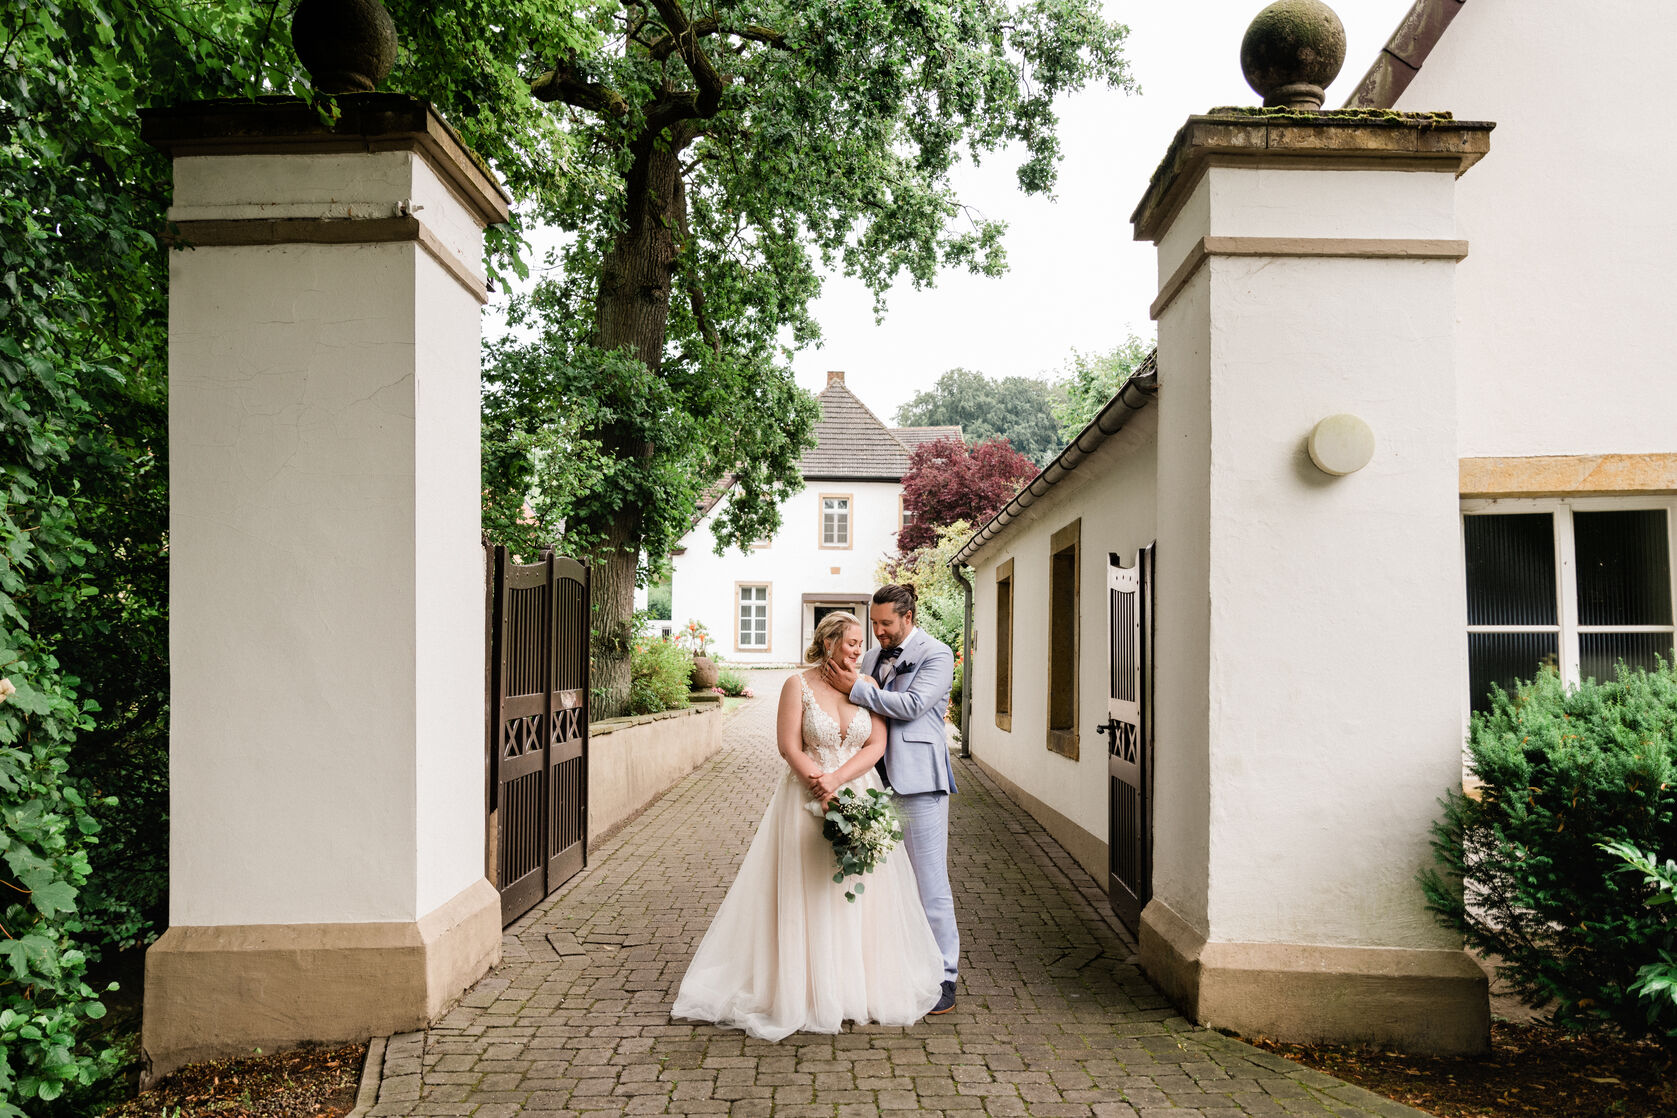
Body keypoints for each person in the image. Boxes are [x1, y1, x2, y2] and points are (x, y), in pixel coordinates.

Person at [671, 611, 944, 1040]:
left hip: (857, 791)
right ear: (830, 641)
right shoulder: (796, 685)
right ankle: (804, 989)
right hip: (806, 797)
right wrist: (819, 784)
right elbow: (788, 745)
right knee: (810, 887)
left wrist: (838, 780)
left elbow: (877, 743)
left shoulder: (867, 686)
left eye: (860, 643)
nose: (860, 649)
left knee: (859, 895)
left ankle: (853, 987)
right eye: (853, 642)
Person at [821, 584, 959, 1015]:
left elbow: (913, 705)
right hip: (871, 783)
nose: (877, 632)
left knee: (929, 882)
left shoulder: (936, 654)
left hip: (918, 782)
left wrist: (857, 689)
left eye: (885, 624)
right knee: (884, 881)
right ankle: (897, 966)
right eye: (874, 623)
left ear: (908, 617)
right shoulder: (871, 657)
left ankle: (946, 975)